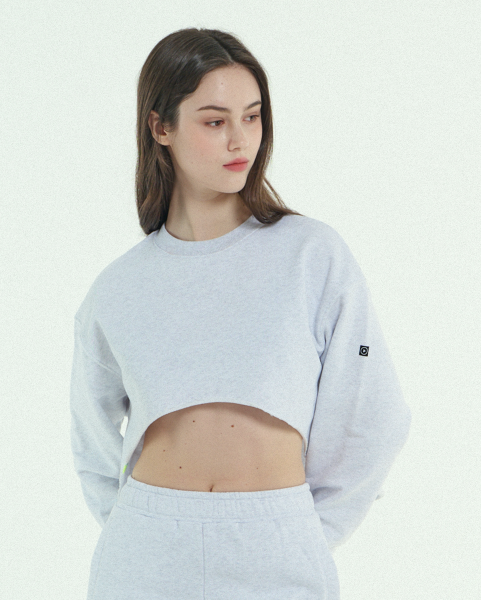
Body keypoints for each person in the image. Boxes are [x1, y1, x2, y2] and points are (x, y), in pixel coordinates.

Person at [70, 27, 412, 600]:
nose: (240, 140)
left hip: (279, 546)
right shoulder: (119, 287)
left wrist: (300, 530)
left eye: (252, 117)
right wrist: (141, 525)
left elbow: (372, 414)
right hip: (146, 552)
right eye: (214, 121)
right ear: (160, 127)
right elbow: (93, 445)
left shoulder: (311, 255)